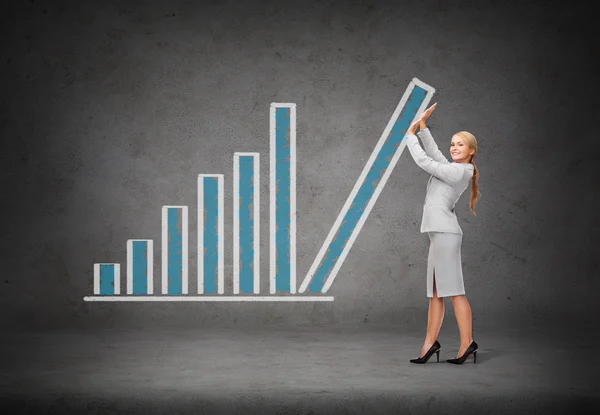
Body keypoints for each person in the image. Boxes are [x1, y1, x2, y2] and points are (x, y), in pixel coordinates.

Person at [403, 102, 480, 364]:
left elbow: (425, 161)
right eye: (453, 143)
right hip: (439, 233)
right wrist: (423, 128)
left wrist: (409, 135)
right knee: (435, 293)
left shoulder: (460, 171)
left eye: (460, 144)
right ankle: (429, 344)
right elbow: (436, 155)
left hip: (446, 234)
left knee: (455, 291)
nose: (454, 147)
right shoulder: (454, 169)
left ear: (471, 151)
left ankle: (467, 343)